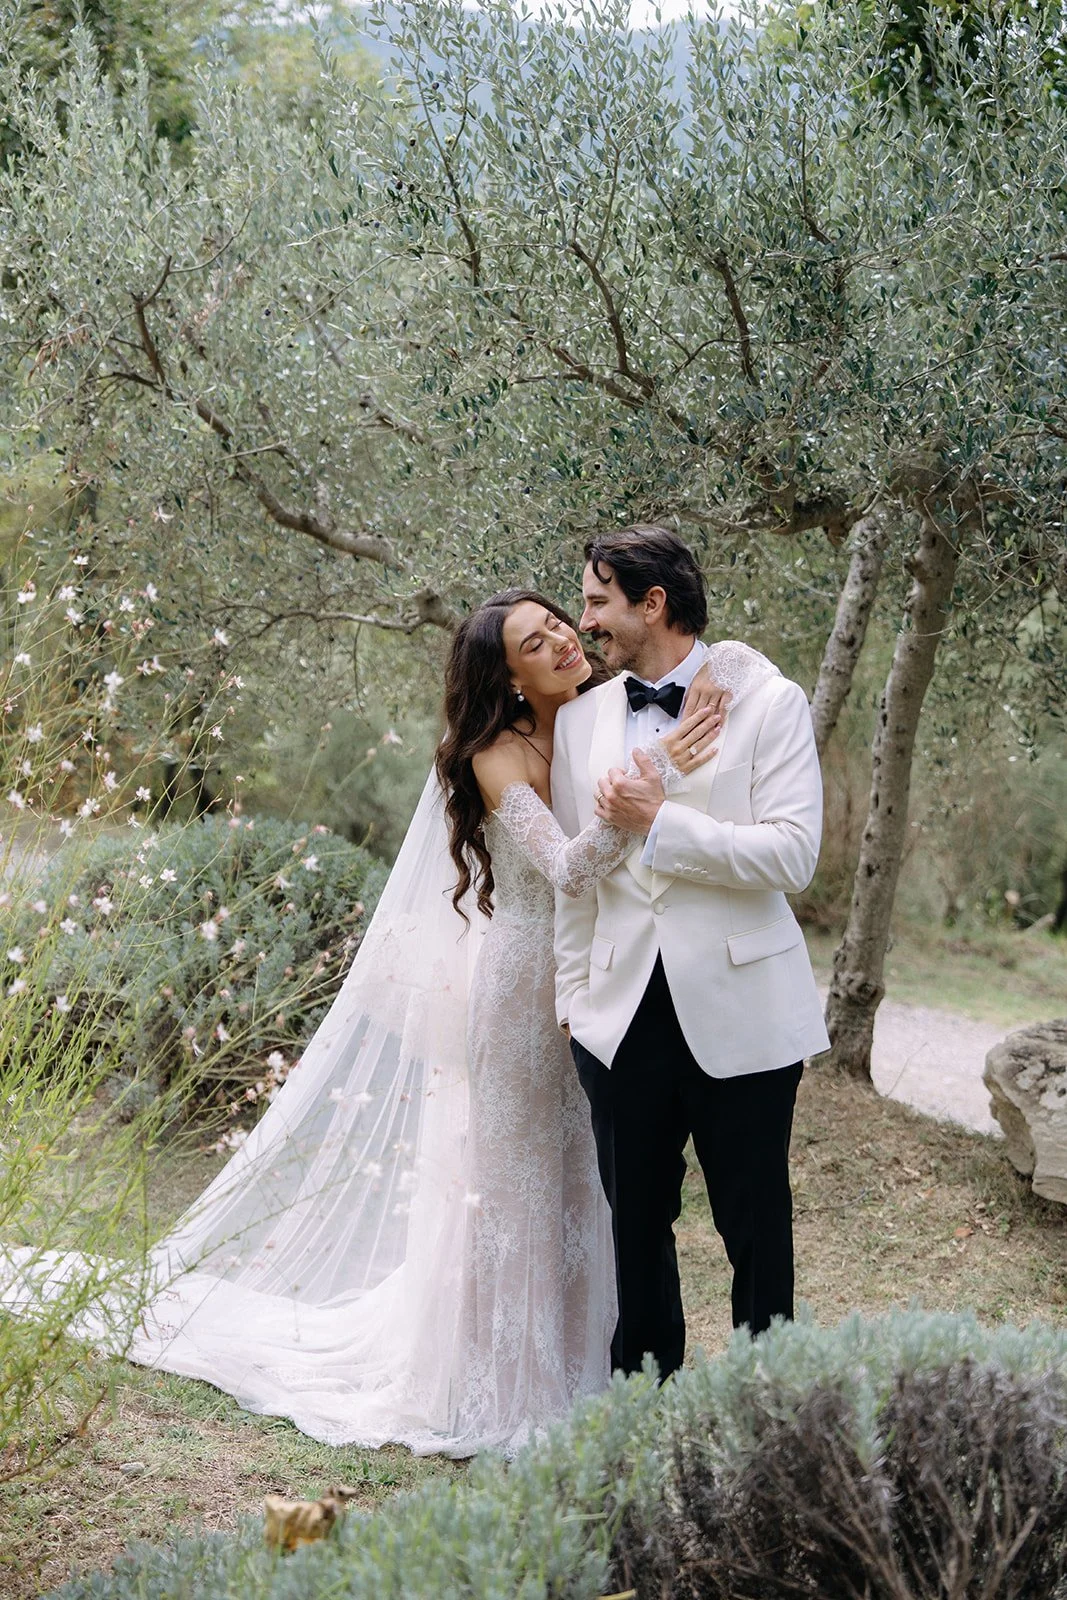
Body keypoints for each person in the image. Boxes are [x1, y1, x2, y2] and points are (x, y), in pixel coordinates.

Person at [1, 584, 776, 1458]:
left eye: (559, 622)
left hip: (603, 984)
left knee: (589, 1183)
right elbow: (564, 868)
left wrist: (729, 668)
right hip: (522, 988)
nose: (563, 639)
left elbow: (714, 660)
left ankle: (593, 1366)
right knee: (516, 1182)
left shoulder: (604, 711)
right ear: (509, 677)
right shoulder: (497, 754)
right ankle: (510, 1381)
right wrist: (657, 775)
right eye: (534, 642)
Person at [551, 526, 831, 1382]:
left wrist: (660, 825)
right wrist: (573, 1001)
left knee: (754, 1225)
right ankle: (641, 1410)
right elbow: (578, 876)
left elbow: (792, 855)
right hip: (618, 1016)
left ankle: (768, 1413)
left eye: (597, 600)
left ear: (652, 602)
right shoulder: (580, 722)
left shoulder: (768, 701)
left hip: (742, 1008)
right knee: (632, 1226)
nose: (586, 620)